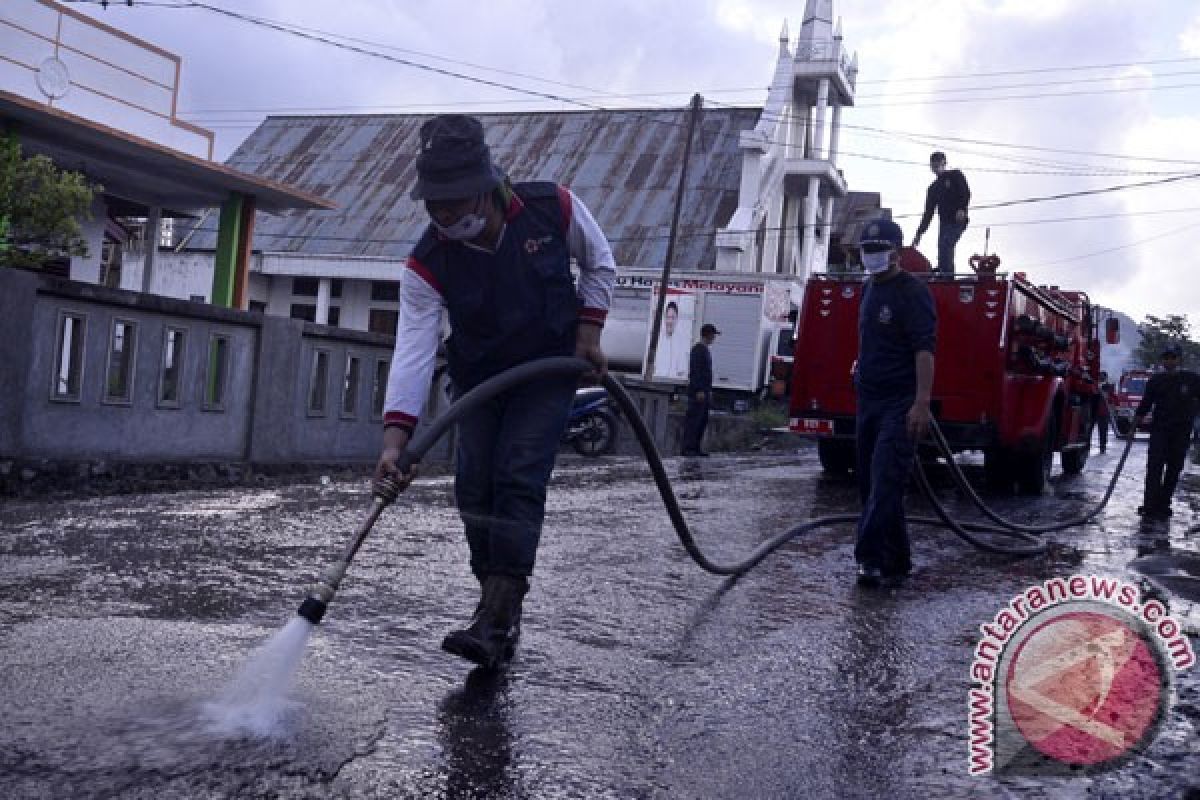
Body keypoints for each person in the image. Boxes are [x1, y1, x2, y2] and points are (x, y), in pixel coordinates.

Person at [376, 114, 616, 669]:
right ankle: (493, 602)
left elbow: (600, 262)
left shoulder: (549, 208)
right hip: (480, 379)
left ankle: (500, 613)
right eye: (434, 202)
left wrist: (588, 332)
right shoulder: (426, 263)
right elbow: (413, 351)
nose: (444, 214)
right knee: (475, 488)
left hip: (546, 370)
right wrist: (395, 441)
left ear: (485, 185)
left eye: (454, 200)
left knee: (518, 471)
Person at [853, 217, 937, 588]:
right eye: (867, 250)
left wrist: (921, 402)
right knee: (872, 484)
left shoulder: (912, 292)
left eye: (878, 250)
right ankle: (898, 559)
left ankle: (868, 559)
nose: (871, 257)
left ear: (896, 252)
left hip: (899, 403)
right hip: (868, 399)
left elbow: (924, 350)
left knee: (886, 479)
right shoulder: (868, 289)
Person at [1133, 344, 1200, 519]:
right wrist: (1136, 421)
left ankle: (1164, 505)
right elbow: (1146, 403)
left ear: (1179, 359)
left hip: (1181, 432)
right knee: (1154, 467)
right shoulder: (1155, 380)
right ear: (1162, 360)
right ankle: (1149, 505)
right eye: (1166, 358)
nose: (1169, 361)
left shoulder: (1192, 379)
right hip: (1160, 430)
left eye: (1173, 358)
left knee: (1173, 469)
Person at [912, 151, 970, 275]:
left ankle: (947, 274)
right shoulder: (933, 188)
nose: (937, 165)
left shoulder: (955, 175)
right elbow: (928, 213)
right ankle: (944, 271)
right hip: (944, 223)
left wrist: (961, 208)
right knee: (942, 247)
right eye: (934, 163)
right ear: (931, 166)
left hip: (957, 220)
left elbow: (965, 192)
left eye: (939, 161)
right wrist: (919, 233)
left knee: (946, 243)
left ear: (944, 162)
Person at [682, 323, 719, 457]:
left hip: (705, 391)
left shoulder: (705, 350)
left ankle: (696, 447)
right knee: (694, 421)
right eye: (713, 335)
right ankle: (688, 448)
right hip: (698, 392)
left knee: (702, 421)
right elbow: (696, 371)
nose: (714, 338)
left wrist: (709, 391)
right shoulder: (698, 350)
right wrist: (699, 390)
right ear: (708, 335)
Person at [1092, 371, 1116, 453]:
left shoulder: (1109, 387)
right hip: (1096, 411)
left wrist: (1110, 400)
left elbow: (1113, 398)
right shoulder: (1095, 386)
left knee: (1103, 430)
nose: (1101, 378)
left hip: (1105, 412)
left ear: (1105, 377)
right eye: (1100, 376)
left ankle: (1103, 447)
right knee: (1097, 430)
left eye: (1102, 376)